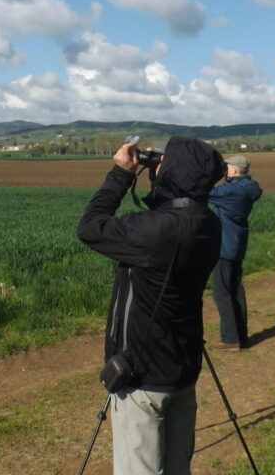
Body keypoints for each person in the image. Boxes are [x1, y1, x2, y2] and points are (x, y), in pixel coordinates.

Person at [78, 136, 225, 475]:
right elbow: (173, 210)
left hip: (142, 374)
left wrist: (121, 175)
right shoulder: (209, 224)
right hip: (182, 367)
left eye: (161, 163)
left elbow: (89, 227)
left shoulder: (157, 231)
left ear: (174, 172)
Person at [207, 154, 262, 350]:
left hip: (224, 245)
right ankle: (241, 336)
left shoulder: (231, 192)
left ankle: (230, 339)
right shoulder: (248, 188)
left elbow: (203, 193)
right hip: (236, 244)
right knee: (236, 289)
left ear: (235, 170)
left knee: (222, 292)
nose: (226, 170)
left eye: (227, 167)